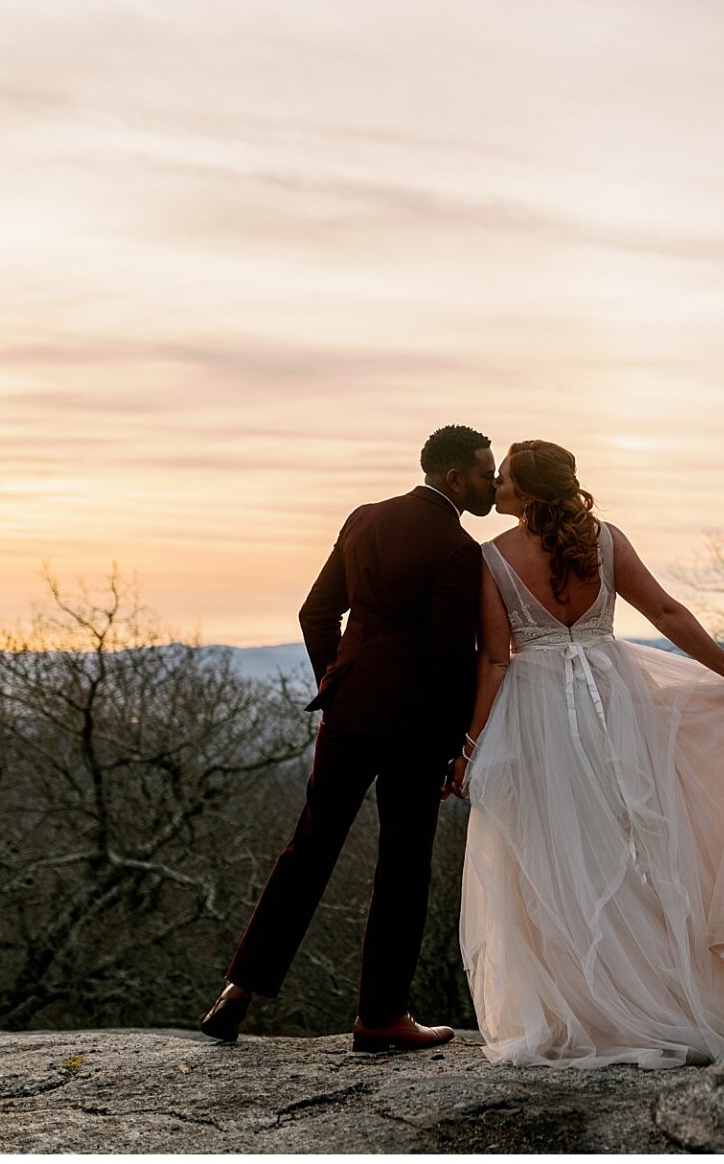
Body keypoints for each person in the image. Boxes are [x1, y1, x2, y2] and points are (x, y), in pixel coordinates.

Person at [453, 440, 724, 1067]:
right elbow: (667, 611)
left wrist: (471, 745)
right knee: (635, 849)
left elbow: (492, 660)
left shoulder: (492, 558)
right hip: (614, 703)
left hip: (536, 714)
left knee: (555, 857)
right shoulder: (605, 540)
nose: (496, 489)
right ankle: (655, 993)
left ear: (527, 492)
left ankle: (591, 1006)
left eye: (504, 480)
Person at [194, 424, 494, 1054]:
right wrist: (451, 748)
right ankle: (380, 1016)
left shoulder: (364, 519)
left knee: (308, 847)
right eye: (486, 472)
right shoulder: (458, 549)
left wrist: (337, 682)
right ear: (455, 477)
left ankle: (238, 990)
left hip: (349, 710)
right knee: (404, 864)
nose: (493, 484)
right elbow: (448, 661)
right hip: (415, 725)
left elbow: (315, 612)